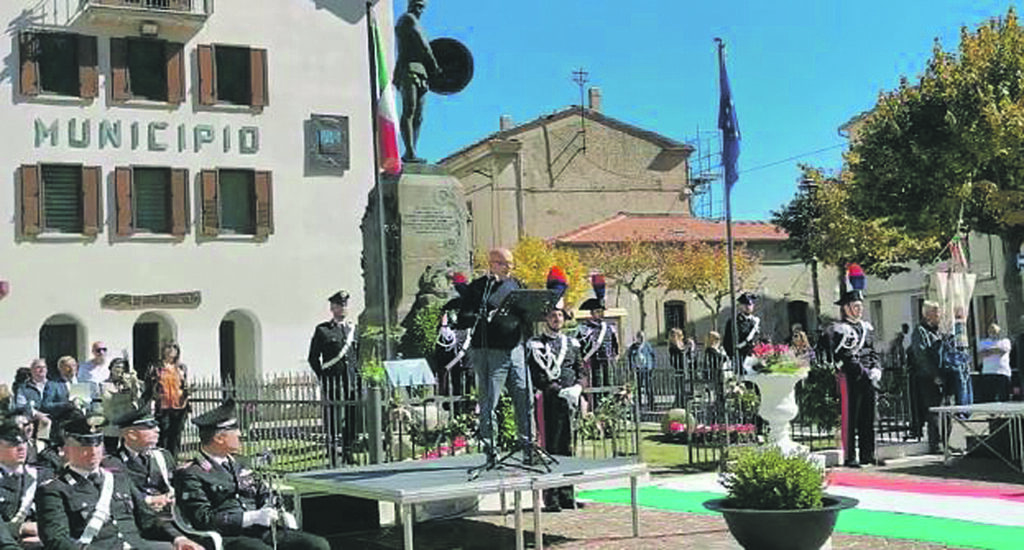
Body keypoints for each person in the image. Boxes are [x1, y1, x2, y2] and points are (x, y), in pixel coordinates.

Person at [36, 411, 203, 550]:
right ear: (67, 450)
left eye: (97, 445)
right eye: (84, 447)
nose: (93, 452)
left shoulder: (117, 478)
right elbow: (57, 540)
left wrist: (178, 538)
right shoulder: (55, 490)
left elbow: (148, 519)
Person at [176, 400, 330, 550]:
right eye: (234, 430)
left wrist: (275, 511)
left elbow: (264, 492)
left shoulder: (240, 464)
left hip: (261, 531)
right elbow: (203, 519)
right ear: (219, 438)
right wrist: (250, 518)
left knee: (316, 544)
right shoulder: (192, 473)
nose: (240, 434)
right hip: (229, 536)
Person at [455, 248, 533, 464]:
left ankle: (528, 447)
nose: (509, 267)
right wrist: (483, 315)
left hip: (515, 348)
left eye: (511, 263)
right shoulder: (479, 288)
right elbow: (463, 317)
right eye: (505, 263)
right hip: (489, 351)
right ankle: (491, 450)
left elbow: (527, 315)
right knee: (490, 401)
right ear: (492, 263)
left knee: (524, 397)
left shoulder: (516, 285)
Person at [526, 300, 583, 512]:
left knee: (568, 448)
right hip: (549, 401)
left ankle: (568, 496)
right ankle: (552, 499)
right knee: (551, 448)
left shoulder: (572, 344)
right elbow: (538, 375)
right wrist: (558, 390)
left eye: (559, 316)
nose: (556, 319)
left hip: (570, 400)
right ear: (546, 319)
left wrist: (578, 387)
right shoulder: (536, 343)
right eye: (552, 316)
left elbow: (580, 369)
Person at [827, 283, 885, 468]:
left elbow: (872, 351)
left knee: (869, 417)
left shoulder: (866, 328)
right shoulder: (840, 329)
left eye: (860, 306)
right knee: (851, 418)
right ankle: (850, 456)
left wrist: (876, 368)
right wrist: (864, 373)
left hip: (868, 377)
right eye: (855, 306)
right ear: (846, 308)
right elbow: (845, 355)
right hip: (852, 378)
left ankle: (868, 454)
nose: (859, 309)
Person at [307, 290, 359, 467]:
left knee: (352, 417)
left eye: (344, 305)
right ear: (332, 308)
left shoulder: (353, 329)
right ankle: (333, 452)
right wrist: (323, 378)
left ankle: (348, 450)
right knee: (333, 417)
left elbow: (356, 356)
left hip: (351, 381)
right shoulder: (323, 330)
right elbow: (313, 358)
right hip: (333, 381)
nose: (342, 308)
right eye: (338, 305)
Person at [102, 407, 176, 519]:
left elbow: (175, 484)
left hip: (168, 515)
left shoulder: (163, 456)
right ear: (132, 434)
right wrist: (149, 500)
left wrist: (170, 497)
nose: (157, 430)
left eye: (156, 425)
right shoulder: (113, 463)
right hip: (135, 518)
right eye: (150, 427)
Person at [394, 0, 440, 163]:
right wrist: (435, 66)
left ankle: (412, 150)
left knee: (419, 116)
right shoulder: (408, 19)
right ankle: (409, 151)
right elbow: (424, 46)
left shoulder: (418, 23)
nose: (420, 9)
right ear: (410, 4)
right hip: (408, 70)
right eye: (417, 5)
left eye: (422, 7)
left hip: (421, 73)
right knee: (409, 110)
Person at [0, 417, 52, 548]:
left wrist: (42, 533)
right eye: (13, 444)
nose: (21, 448)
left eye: (24, 442)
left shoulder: (41, 476)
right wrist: (21, 529)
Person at [576, 274, 619, 405]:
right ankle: (597, 407)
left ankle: (609, 407)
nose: (599, 314)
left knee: (609, 383)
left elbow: (615, 345)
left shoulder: (609, 328)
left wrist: (614, 355)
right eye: (597, 312)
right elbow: (582, 345)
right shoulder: (586, 328)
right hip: (594, 361)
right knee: (597, 384)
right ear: (592, 313)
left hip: (608, 360)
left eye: (601, 312)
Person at [142, 342, 190, 456]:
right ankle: (163, 459)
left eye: (174, 347)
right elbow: (149, 386)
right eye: (168, 347)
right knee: (163, 434)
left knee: (176, 435)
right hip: (163, 406)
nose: (171, 350)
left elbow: (184, 385)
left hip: (179, 405)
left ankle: (174, 460)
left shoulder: (181, 367)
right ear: (163, 350)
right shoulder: (156, 367)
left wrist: (188, 392)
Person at [101, 357, 141, 453]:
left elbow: (138, 398)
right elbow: (105, 401)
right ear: (111, 368)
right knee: (111, 450)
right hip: (111, 422)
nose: (120, 370)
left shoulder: (129, 384)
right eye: (117, 367)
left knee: (127, 451)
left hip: (126, 423)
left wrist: (134, 383)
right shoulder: (103, 384)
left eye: (123, 368)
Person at [723, 292, 763, 366]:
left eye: (750, 305)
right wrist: (733, 357)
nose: (748, 307)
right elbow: (727, 341)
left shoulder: (755, 321)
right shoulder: (734, 321)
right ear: (740, 306)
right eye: (745, 305)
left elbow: (757, 338)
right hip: (739, 358)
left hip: (752, 357)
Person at [978, 323, 1012, 403]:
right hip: (988, 372)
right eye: (991, 330)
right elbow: (981, 353)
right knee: (989, 398)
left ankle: (1004, 414)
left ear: (999, 331)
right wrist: (995, 350)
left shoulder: (1005, 341)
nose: (993, 332)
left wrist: (989, 350)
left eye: (995, 330)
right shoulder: (984, 342)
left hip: (1002, 372)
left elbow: (1002, 350)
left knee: (1004, 397)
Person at [627, 331, 656, 411]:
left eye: (642, 336)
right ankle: (638, 405)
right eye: (639, 337)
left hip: (646, 369)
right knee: (638, 388)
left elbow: (653, 356)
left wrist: (652, 367)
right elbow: (630, 358)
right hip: (637, 370)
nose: (641, 338)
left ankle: (651, 405)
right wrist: (631, 369)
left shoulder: (647, 346)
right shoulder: (633, 347)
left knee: (648, 387)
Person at [668, 328, 687, 407]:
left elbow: (684, 351)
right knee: (679, 385)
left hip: (684, 367)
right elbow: (679, 352)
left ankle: (682, 400)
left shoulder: (682, 344)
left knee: (683, 385)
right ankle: (679, 401)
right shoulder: (673, 346)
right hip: (678, 367)